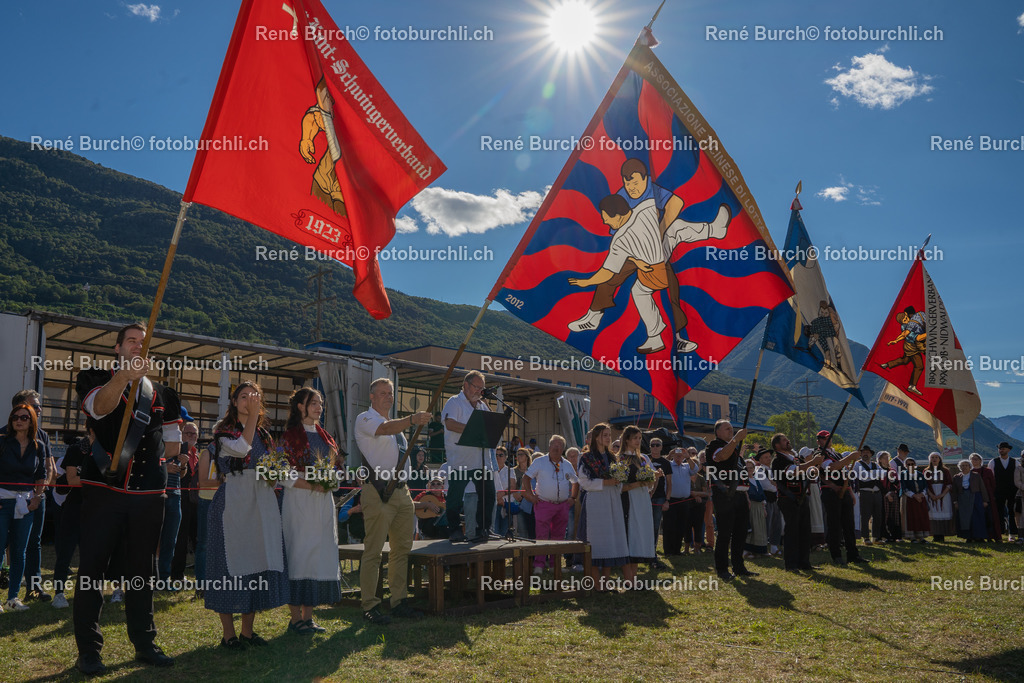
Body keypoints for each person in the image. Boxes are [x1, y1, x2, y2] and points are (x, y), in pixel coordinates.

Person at [73, 324, 181, 674]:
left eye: (143, 342)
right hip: (104, 490)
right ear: (117, 347)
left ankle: (145, 643)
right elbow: (99, 409)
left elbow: (174, 443)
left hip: (149, 492)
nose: (138, 346)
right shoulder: (92, 377)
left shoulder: (163, 392)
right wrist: (123, 378)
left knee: (142, 573)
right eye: (132, 341)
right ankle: (89, 651)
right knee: (92, 570)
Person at [204, 381, 289, 650]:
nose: (249, 400)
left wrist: (277, 474)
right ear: (234, 402)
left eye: (254, 397)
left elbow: (274, 465)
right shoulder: (223, 431)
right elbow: (242, 449)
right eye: (243, 396)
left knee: (254, 565)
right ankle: (228, 635)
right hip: (233, 502)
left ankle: (247, 632)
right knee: (228, 567)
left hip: (259, 503)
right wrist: (253, 417)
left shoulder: (264, 434)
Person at [354, 377, 431, 625]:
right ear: (372, 397)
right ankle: (370, 605)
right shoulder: (365, 419)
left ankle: (399, 601)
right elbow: (384, 430)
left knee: (401, 550)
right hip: (377, 491)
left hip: (401, 491)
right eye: (383, 393)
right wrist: (411, 420)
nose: (388, 396)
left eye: (390, 393)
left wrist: (408, 422)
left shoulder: (395, 427)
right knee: (374, 550)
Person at [281, 388, 342, 635]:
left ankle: (308, 617)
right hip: (299, 499)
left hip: (322, 501)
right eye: (313, 403)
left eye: (321, 403)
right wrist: (310, 484)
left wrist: (330, 482)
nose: (319, 407)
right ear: (300, 406)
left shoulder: (326, 437)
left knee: (318, 554)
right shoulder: (289, 437)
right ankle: (295, 618)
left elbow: (338, 469)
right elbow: (279, 471)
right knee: (299, 553)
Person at [4, 390, 54, 603]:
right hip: (5, 499)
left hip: (34, 499)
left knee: (32, 543)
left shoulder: (41, 437)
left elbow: (49, 468)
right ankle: (5, 582)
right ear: (19, 408)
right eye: (35, 405)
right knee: (5, 543)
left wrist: (37, 496)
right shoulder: (3, 437)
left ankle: (33, 588)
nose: (39, 409)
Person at [441, 371, 495, 542]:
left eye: (481, 388)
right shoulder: (454, 402)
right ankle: (455, 529)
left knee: (488, 495)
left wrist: (485, 402)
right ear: (465, 385)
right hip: (461, 460)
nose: (478, 390)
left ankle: (484, 529)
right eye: (476, 387)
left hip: (482, 459)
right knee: (456, 496)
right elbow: (450, 424)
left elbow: (489, 424)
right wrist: (473, 429)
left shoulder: (481, 405)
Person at [577, 424, 630, 590]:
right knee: (596, 540)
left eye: (609, 435)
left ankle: (606, 581)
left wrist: (618, 482)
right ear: (597, 437)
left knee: (610, 540)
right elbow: (584, 482)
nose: (608, 438)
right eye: (605, 435)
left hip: (612, 501)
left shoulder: (613, 458)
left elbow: (619, 482)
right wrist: (605, 482)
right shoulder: (586, 458)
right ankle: (596, 582)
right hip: (596, 503)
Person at [522, 435, 578, 573]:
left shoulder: (567, 464)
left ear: (563, 449)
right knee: (541, 535)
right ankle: (539, 565)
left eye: (559, 445)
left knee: (558, 536)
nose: (556, 447)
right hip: (544, 504)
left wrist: (573, 498)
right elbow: (526, 478)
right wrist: (530, 495)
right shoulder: (540, 461)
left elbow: (575, 482)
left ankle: (554, 565)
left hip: (562, 505)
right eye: (554, 444)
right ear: (549, 446)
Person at [707, 420, 755, 580]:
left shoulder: (735, 450)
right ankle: (722, 569)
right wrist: (735, 440)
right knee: (725, 534)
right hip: (725, 495)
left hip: (740, 495)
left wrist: (746, 496)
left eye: (732, 429)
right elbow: (721, 456)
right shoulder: (713, 446)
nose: (731, 431)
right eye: (727, 429)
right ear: (718, 432)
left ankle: (739, 566)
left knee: (740, 534)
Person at [51, 425, 91, 609]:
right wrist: (97, 480)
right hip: (74, 507)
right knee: (65, 553)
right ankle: (59, 593)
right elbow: (71, 480)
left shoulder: (108, 450)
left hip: (99, 509)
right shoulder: (77, 449)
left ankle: (87, 592)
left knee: (92, 555)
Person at [771, 434, 822, 571]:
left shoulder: (795, 459)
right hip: (788, 499)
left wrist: (813, 469)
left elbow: (805, 473)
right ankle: (791, 564)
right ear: (777, 445)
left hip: (802, 498)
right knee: (792, 531)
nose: (788, 441)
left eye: (787, 439)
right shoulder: (778, 461)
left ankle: (804, 563)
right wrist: (811, 463)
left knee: (805, 530)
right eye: (784, 440)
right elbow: (791, 473)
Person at [816, 431, 866, 566]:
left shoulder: (836, 454)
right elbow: (831, 468)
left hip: (844, 492)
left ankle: (853, 554)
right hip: (830, 493)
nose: (828, 440)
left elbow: (844, 475)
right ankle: (836, 555)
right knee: (834, 526)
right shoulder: (819, 454)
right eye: (825, 438)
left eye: (829, 438)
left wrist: (849, 492)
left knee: (849, 524)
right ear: (819, 441)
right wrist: (850, 457)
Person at [170, 421, 199, 583]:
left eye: (194, 434)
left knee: (197, 537)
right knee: (180, 539)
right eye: (187, 433)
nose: (191, 436)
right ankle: (176, 575)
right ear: (181, 435)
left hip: (195, 501)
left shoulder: (197, 453)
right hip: (180, 498)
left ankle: (200, 573)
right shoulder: (175, 451)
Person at [662, 446, 692, 556]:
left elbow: (695, 469)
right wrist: (669, 454)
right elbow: (663, 464)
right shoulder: (669, 465)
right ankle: (668, 550)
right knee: (669, 526)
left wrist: (688, 457)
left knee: (681, 526)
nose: (679, 457)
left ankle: (676, 550)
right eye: (676, 455)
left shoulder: (687, 466)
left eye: (681, 455)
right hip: (671, 500)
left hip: (684, 501)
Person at [853, 446, 886, 545]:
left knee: (877, 516)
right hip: (865, 492)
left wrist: (870, 473)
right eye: (863, 452)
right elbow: (863, 477)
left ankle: (876, 537)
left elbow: (883, 474)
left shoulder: (875, 464)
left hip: (877, 493)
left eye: (867, 452)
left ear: (871, 454)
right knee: (865, 515)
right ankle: (866, 537)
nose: (865, 454)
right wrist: (875, 473)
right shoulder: (857, 464)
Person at [647, 438, 671, 568]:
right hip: (645, 497)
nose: (655, 447)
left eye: (657, 445)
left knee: (656, 526)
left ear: (661, 447)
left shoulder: (666, 463)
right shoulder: (645, 460)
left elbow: (669, 482)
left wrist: (667, 500)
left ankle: (653, 552)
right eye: (652, 445)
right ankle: (644, 552)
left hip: (660, 497)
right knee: (644, 526)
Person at [952, 459, 989, 541]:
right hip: (962, 499)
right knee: (965, 518)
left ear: (970, 467)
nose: (964, 467)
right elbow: (954, 491)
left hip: (976, 497)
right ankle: (968, 537)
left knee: (976, 518)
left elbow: (982, 488)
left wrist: (985, 500)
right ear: (960, 467)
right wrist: (955, 502)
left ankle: (979, 537)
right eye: (962, 466)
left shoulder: (976, 475)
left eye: (966, 465)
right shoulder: (956, 477)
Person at [989, 442, 1018, 542]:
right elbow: (991, 477)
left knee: (1012, 511)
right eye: (1000, 448)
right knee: (998, 511)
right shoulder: (993, 462)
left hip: (1012, 490)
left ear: (1008, 450)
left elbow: (1017, 477)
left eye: (1004, 448)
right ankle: (999, 533)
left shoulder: (1015, 462)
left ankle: (1012, 533)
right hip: (998, 490)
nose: (1001, 450)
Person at [970, 453, 1001, 541]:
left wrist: (991, 496)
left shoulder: (988, 471)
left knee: (991, 517)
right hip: (975, 497)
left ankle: (991, 536)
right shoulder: (969, 472)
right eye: (972, 459)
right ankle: (978, 536)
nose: (974, 461)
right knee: (977, 517)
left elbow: (993, 484)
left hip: (988, 496)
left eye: (976, 459)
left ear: (980, 460)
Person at [925, 452, 954, 542]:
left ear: (940, 459)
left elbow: (949, 484)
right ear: (930, 459)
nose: (934, 459)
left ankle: (942, 534)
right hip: (931, 494)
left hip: (943, 494)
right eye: (932, 457)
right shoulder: (926, 471)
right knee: (933, 513)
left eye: (936, 457)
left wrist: (941, 495)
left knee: (942, 512)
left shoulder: (945, 470)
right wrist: (932, 495)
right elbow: (925, 485)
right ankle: (935, 534)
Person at [902, 459, 930, 542]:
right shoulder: (904, 474)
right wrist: (914, 495)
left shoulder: (920, 474)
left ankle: (921, 537)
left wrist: (921, 495)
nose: (911, 466)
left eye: (912, 464)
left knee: (921, 516)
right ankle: (912, 537)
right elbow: (904, 487)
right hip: (909, 498)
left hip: (920, 498)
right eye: (908, 464)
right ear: (906, 466)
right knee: (911, 517)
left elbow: (925, 486)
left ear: (915, 465)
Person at [512, 448, 534, 538]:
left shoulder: (532, 470)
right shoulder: (513, 471)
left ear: (527, 456)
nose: (519, 456)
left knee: (532, 529)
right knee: (521, 530)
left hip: (530, 503)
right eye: (517, 454)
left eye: (521, 454)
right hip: (518, 502)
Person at [492, 446, 512, 536]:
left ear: (506, 457)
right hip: (493, 504)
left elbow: (513, 486)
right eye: (496, 455)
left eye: (501, 455)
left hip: (506, 504)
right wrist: (496, 497)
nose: (498, 457)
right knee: (494, 531)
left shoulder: (510, 471)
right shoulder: (490, 470)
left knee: (504, 532)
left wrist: (502, 494)